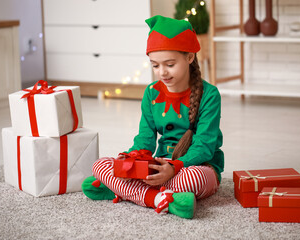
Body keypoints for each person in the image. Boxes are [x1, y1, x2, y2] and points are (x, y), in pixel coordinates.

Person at [82, 15, 224, 219]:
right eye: (155, 65)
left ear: (190, 57)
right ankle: (160, 199)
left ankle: (124, 191)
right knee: (101, 165)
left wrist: (174, 168)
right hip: (159, 163)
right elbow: (145, 137)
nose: (162, 72)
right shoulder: (151, 93)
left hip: (194, 166)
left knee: (193, 179)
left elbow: (204, 145)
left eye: (170, 64)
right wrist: (130, 160)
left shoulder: (210, 95)